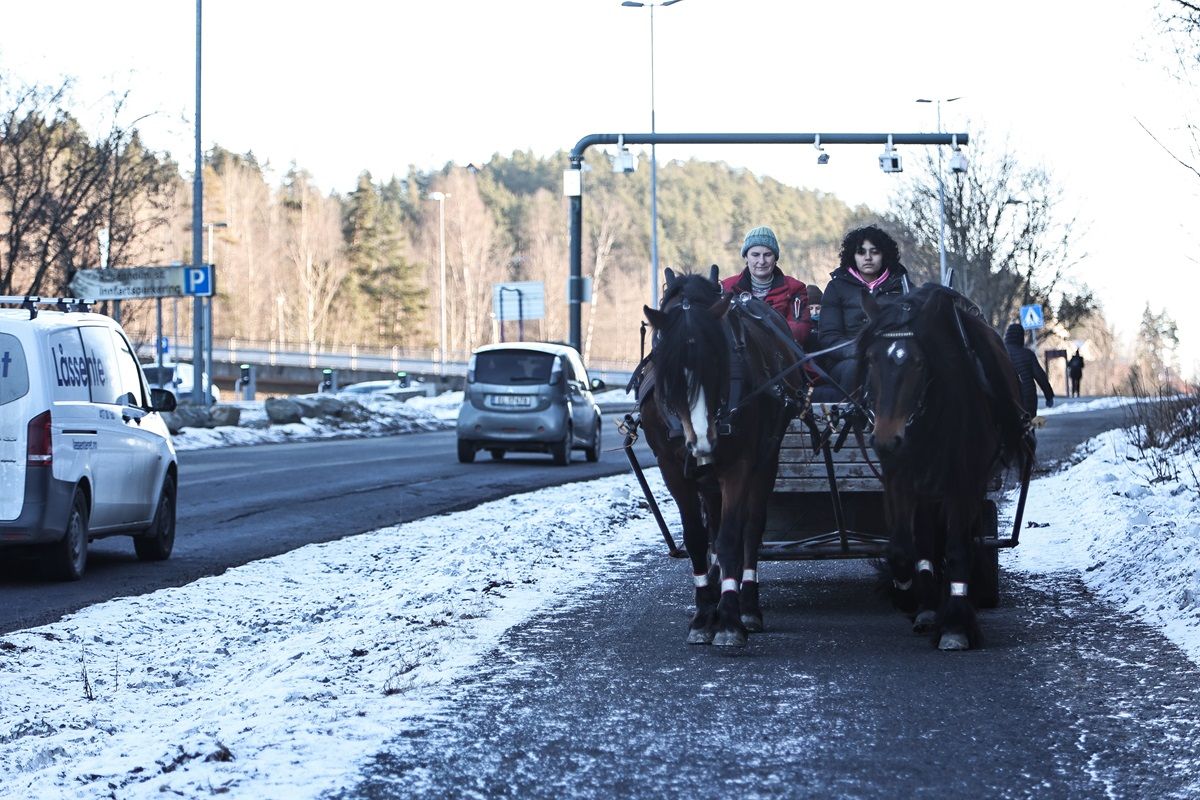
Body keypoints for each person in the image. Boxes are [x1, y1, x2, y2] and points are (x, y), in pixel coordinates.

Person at [817, 224, 911, 395]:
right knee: (857, 370)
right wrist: (860, 351)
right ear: (853, 255)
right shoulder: (836, 287)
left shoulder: (903, 287)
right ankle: (856, 419)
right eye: (861, 252)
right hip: (848, 360)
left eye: (874, 252)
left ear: (884, 255)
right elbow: (829, 337)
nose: (868, 257)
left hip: (894, 356)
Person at [721, 226, 812, 347]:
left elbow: (800, 330)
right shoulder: (727, 287)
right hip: (739, 355)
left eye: (767, 254)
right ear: (746, 257)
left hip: (784, 356)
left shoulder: (795, 288)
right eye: (755, 255)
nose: (762, 261)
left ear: (775, 258)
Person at [1004, 323, 1055, 418]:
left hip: (1007, 397)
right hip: (1028, 398)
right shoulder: (1028, 354)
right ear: (1021, 337)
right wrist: (1049, 396)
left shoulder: (1001, 353)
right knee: (1029, 425)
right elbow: (1040, 376)